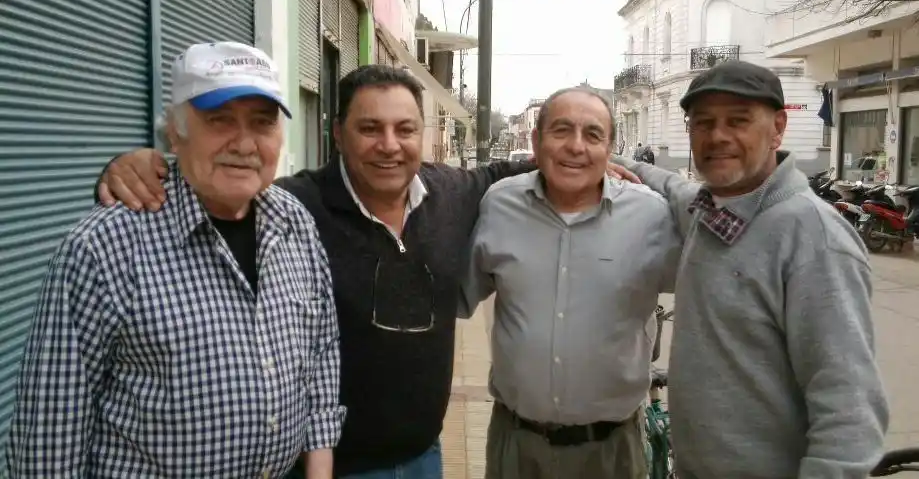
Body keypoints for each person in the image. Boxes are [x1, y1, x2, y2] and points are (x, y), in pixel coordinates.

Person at [92, 65, 624, 478]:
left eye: (404, 129)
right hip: (322, 464)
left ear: (422, 134)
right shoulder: (291, 208)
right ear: (338, 133)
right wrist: (140, 163)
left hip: (422, 458)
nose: (389, 145)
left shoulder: (454, 193)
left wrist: (623, 168)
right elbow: (218, 180)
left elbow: (549, 161)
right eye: (369, 128)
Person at [6, 42, 344, 478]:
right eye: (219, 121)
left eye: (262, 123)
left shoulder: (293, 222)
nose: (244, 144)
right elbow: (49, 435)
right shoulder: (103, 247)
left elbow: (320, 352)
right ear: (174, 132)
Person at [613, 60, 889, 478]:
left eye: (738, 121)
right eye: (702, 122)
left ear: (777, 127)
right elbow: (669, 185)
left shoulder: (814, 238)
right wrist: (608, 159)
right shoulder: (711, 211)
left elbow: (849, 411)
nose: (717, 135)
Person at [461, 87, 682, 479]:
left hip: (611, 452)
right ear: (536, 140)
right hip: (517, 447)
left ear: (611, 148)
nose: (576, 147)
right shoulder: (499, 205)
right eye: (561, 131)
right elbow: (456, 296)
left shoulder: (652, 216)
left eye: (593, 135)